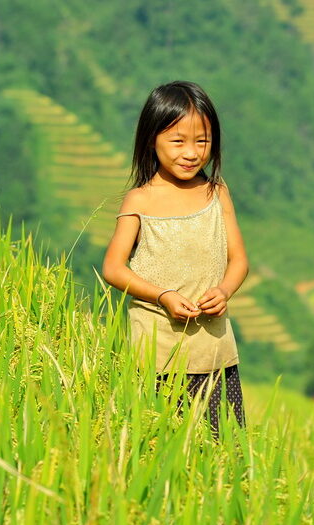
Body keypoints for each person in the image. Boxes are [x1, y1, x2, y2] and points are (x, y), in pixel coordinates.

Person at [102, 80, 248, 440]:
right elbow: (114, 268)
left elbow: (239, 260)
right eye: (178, 141)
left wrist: (225, 291)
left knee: (223, 451)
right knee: (163, 445)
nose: (192, 152)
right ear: (152, 139)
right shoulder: (140, 201)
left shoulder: (217, 192)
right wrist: (162, 295)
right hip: (157, 355)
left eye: (202, 141)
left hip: (214, 350)